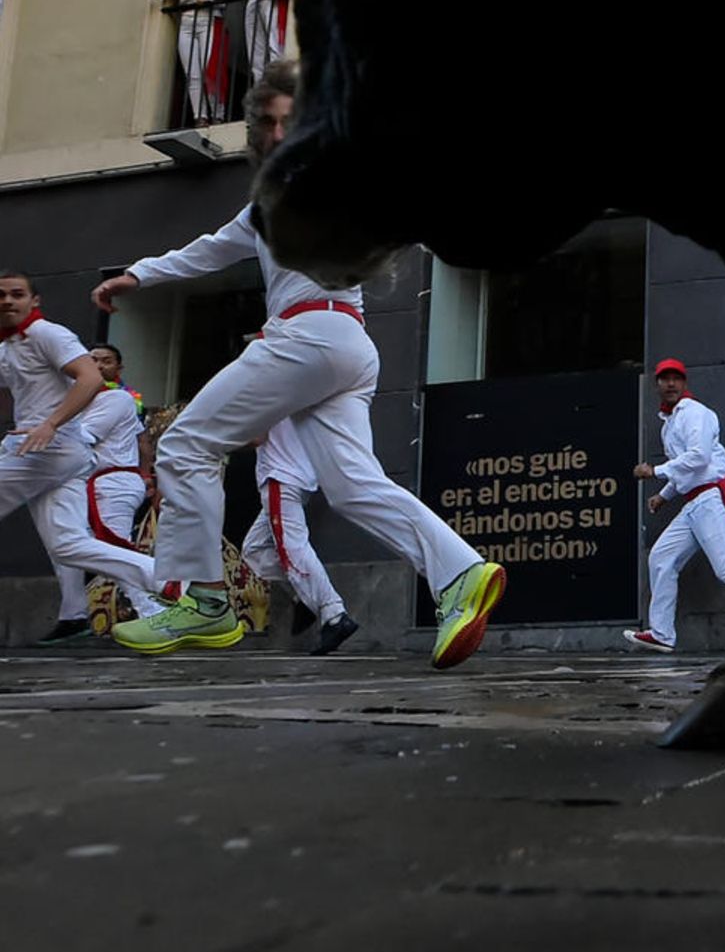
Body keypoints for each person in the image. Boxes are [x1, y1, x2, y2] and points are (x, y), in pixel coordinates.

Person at [91, 61, 506, 664]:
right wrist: (140, 274)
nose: (281, 133)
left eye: (295, 120)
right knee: (352, 486)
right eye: (270, 123)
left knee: (183, 445)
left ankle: (204, 600)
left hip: (310, 335)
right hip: (347, 347)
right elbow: (210, 249)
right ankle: (461, 573)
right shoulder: (271, 201)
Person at [0, 272, 167, 629]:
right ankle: (168, 583)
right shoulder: (9, 346)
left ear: (35, 300)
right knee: (68, 545)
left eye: (17, 294)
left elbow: (89, 378)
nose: (8, 301)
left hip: (51, 450)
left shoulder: (49, 333)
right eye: (2, 295)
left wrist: (51, 423)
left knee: (93, 538)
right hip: (61, 456)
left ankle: (149, 607)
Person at [624, 358, 725, 650]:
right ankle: (662, 633)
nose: (670, 383)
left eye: (676, 378)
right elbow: (687, 469)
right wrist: (664, 495)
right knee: (661, 558)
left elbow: (698, 458)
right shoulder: (670, 424)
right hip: (695, 503)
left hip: (712, 498)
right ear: (657, 384)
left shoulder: (694, 412)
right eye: (665, 378)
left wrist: (655, 471)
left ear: (684, 383)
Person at [43, 341, 155, 645]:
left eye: (105, 361)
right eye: (91, 359)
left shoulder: (117, 398)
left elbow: (85, 438)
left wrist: (44, 427)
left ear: (117, 369)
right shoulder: (81, 400)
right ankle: (73, 616)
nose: (98, 365)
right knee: (66, 545)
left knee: (114, 549)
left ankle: (153, 612)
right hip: (87, 482)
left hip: (113, 483)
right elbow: (141, 440)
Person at [240, 406, 356, 655]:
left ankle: (334, 614)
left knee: (292, 549)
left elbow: (256, 437)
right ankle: (305, 597)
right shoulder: (299, 382)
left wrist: (214, 441)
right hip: (298, 474)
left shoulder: (269, 386)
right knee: (254, 549)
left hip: (280, 475)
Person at [130, 0, 235, 125]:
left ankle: (217, 115)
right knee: (192, 73)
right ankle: (200, 116)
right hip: (187, 24)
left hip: (209, 20)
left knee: (209, 70)